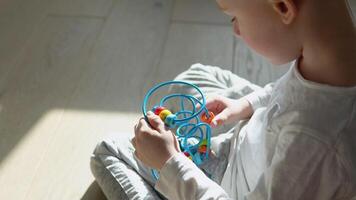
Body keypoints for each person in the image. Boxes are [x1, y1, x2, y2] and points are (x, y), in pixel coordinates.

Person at [91, 0, 356, 199]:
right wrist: (244, 106)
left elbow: (307, 122)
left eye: (234, 18)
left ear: (283, 7)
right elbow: (291, 91)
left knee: (108, 150)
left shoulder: (315, 143)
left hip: (225, 186)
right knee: (199, 74)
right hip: (245, 145)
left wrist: (170, 163)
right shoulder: (332, 58)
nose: (236, 30)